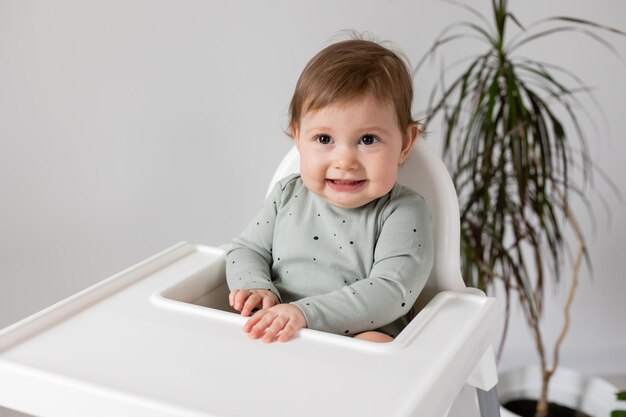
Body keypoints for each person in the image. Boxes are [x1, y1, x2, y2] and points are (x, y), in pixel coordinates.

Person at [226, 37, 433, 344]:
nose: (345, 161)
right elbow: (246, 250)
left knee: (375, 344)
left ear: (405, 143)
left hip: (355, 338)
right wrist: (256, 286)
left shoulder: (402, 211)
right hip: (281, 333)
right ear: (298, 137)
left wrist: (305, 314)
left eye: (367, 140)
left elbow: (391, 290)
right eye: (324, 139)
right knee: (237, 327)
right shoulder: (287, 195)